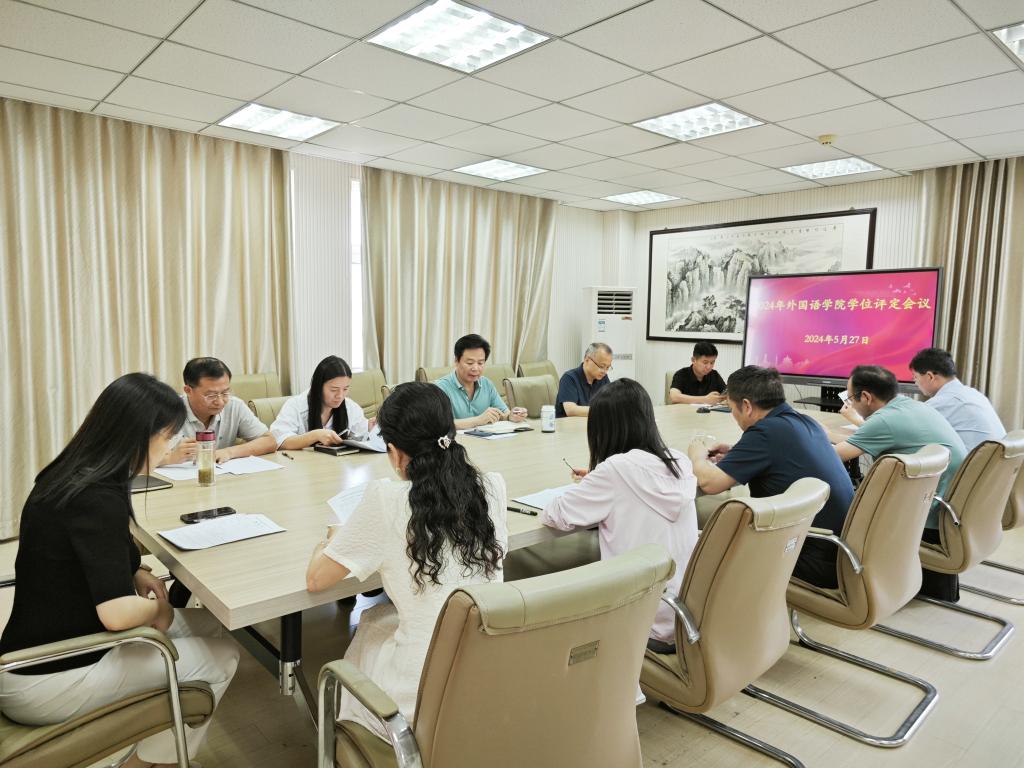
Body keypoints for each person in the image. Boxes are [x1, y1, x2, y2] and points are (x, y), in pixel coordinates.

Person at [0, 373, 239, 768]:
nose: (169, 448)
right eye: (166, 437)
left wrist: (135, 569)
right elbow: (117, 614)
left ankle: (154, 751)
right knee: (224, 656)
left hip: (43, 650)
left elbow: (88, 553)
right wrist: (159, 610)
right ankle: (149, 764)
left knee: (211, 627)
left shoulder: (73, 475)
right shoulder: (96, 498)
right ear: (138, 435)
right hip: (48, 676)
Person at [305, 382, 508, 741]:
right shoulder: (492, 487)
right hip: (487, 680)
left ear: (396, 454)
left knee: (369, 625)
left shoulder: (388, 499)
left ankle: (346, 735)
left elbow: (317, 580)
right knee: (378, 619)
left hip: (418, 703)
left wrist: (332, 538)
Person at [541, 379, 698, 653]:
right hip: (685, 612)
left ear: (605, 429)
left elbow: (556, 514)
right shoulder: (679, 461)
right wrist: (598, 483)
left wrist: (598, 484)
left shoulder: (615, 470)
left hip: (643, 618)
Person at [686, 366, 855, 589]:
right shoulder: (805, 422)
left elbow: (709, 483)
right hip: (841, 552)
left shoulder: (765, 432)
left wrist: (696, 455)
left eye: (732, 409)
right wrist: (739, 454)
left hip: (811, 558)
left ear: (747, 406)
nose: (734, 417)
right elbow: (781, 457)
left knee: (710, 542)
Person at [832, 365, 967, 600]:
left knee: (841, 505)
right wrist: (818, 432)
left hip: (929, 513)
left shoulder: (884, 421)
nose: (850, 403)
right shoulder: (910, 406)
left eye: (851, 398)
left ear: (866, 397)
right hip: (950, 504)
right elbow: (862, 438)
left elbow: (834, 456)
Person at [160, 356, 276, 465]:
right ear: (188, 390)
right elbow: (147, 458)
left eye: (225, 392)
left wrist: (228, 452)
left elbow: (269, 441)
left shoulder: (234, 406)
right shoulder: (167, 411)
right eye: (211, 395)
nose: (220, 402)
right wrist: (170, 458)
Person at [909, 347, 1006, 452]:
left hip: (972, 461)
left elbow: (910, 434)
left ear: (930, 376)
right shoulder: (974, 394)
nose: (915, 382)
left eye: (915, 377)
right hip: (996, 460)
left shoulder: (942, 402)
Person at [271, 355, 369, 450]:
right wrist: (315, 435)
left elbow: (363, 436)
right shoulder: (295, 406)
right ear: (318, 386)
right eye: (334, 390)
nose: (340, 395)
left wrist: (371, 428)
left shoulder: (350, 407)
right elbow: (279, 441)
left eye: (345, 389)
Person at [433, 334, 527, 429]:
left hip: (487, 438)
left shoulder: (487, 384)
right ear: (457, 361)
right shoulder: (440, 388)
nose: (475, 368)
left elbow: (504, 414)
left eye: (480, 363)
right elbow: (439, 424)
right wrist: (478, 420)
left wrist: (512, 416)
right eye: (470, 363)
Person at [556, 342, 613, 417]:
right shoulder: (569, 378)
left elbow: (611, 403)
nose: (604, 371)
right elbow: (570, 410)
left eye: (607, 367)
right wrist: (602, 410)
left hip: (591, 422)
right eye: (601, 366)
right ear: (587, 360)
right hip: (570, 423)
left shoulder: (603, 378)